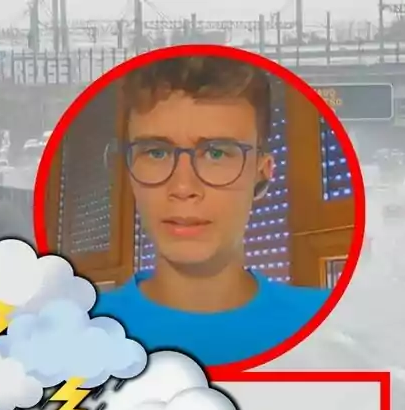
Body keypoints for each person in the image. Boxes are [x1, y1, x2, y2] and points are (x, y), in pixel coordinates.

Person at [90, 55, 330, 366]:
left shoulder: (331, 327)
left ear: (262, 173)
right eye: (157, 152)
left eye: (216, 153)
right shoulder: (78, 333)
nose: (183, 187)